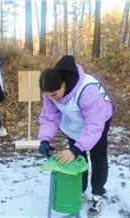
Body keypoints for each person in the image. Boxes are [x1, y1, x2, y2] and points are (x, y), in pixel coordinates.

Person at [38, 55, 113, 218]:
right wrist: (44, 139)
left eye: (54, 94)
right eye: (48, 96)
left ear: (63, 84)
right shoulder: (51, 92)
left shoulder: (87, 91)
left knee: (97, 157)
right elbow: (50, 116)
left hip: (98, 121)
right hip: (73, 123)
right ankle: (81, 191)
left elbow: (94, 126)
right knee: (80, 159)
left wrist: (75, 149)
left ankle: (98, 195)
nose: (51, 99)